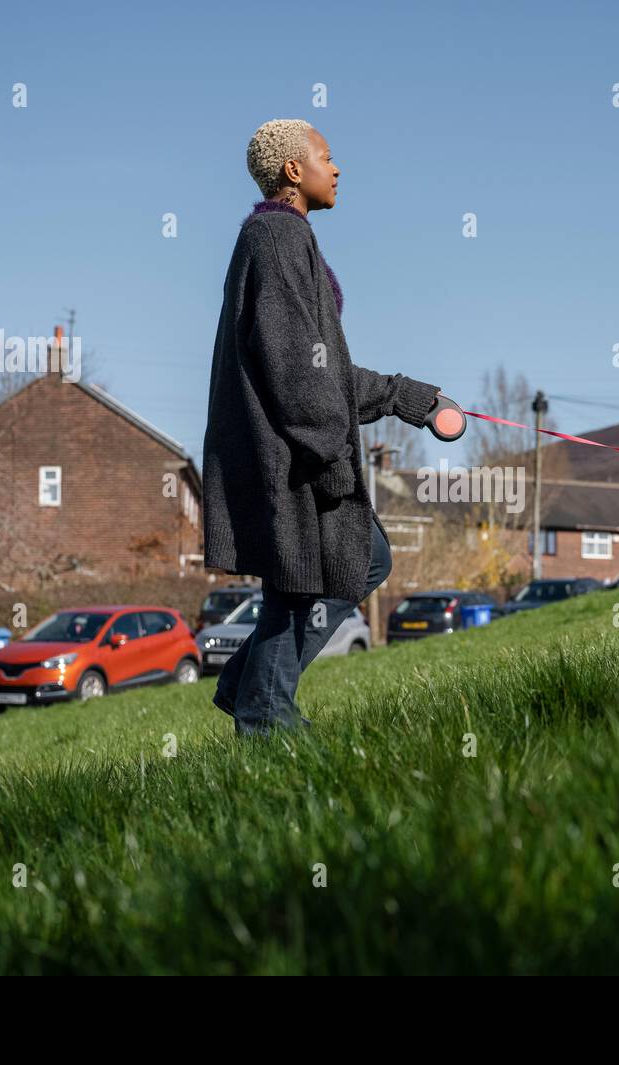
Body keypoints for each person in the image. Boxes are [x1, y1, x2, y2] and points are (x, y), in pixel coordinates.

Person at [203, 119, 445, 737]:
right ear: (293, 170)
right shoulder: (277, 238)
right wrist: (333, 460)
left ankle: (251, 690)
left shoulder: (281, 238)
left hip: (296, 453)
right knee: (336, 566)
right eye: (326, 158)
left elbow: (325, 370)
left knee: (312, 576)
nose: (336, 169)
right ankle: (263, 712)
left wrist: (411, 399)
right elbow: (296, 375)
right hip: (295, 459)